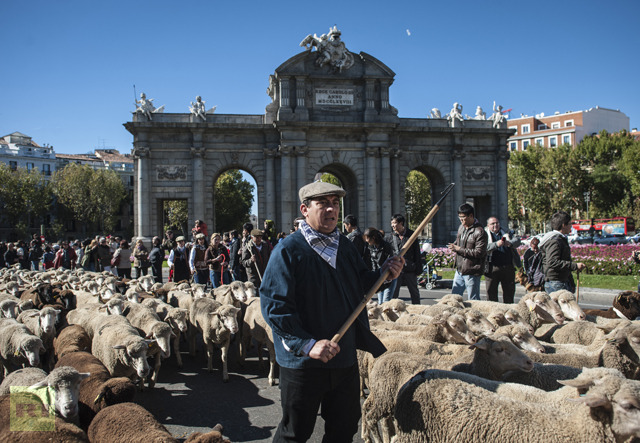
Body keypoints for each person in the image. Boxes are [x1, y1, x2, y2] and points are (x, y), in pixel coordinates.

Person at [260, 181, 404, 442]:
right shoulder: (288, 250)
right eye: (323, 203)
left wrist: (385, 274)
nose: (331, 209)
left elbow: (361, 283)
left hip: (343, 357)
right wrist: (306, 344)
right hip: (304, 363)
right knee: (294, 433)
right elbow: (274, 306)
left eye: (335, 203)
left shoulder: (345, 246)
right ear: (305, 209)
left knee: (344, 428)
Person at [448, 203, 488, 300]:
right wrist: (454, 246)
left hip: (472, 270)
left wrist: (459, 249)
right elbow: (459, 242)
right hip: (460, 269)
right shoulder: (461, 228)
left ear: (471, 216)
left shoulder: (480, 232)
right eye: (459, 218)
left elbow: (479, 253)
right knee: (454, 298)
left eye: (463, 218)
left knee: (473, 300)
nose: (461, 220)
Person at [539, 211, 586, 294]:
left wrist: (571, 282)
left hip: (561, 281)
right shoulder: (554, 241)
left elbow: (564, 259)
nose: (571, 226)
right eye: (570, 224)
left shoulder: (560, 239)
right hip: (556, 283)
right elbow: (552, 262)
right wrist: (574, 266)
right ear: (563, 225)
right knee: (560, 307)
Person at [484, 217, 522, 304]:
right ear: (488, 225)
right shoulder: (484, 234)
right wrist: (496, 244)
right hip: (492, 268)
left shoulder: (506, 232)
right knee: (491, 295)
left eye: (497, 223)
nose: (495, 225)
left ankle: (509, 314)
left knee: (509, 293)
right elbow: (482, 248)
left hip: (508, 267)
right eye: (492, 224)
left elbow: (518, 241)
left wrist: (510, 243)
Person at [388, 214, 422, 305]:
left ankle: (417, 310)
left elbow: (417, 253)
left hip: (409, 269)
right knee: (394, 294)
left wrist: (418, 268)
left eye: (395, 223)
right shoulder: (390, 237)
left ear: (401, 223)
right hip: (396, 270)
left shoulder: (411, 235)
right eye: (392, 223)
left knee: (414, 293)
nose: (393, 225)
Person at [363, 227, 397, 304]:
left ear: (373, 238)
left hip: (388, 275)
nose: (366, 240)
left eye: (367, 238)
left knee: (386, 300)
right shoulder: (371, 247)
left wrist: (387, 273)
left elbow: (390, 260)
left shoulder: (386, 246)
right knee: (380, 302)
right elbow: (373, 262)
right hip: (379, 274)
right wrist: (375, 274)